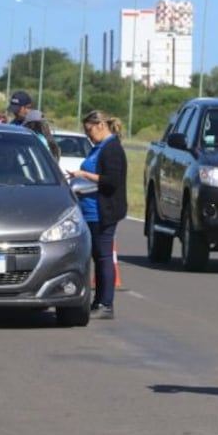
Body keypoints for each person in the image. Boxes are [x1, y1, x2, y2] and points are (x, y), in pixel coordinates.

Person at [68, 110, 128, 320]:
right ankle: (98, 300)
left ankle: (106, 303)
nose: (88, 135)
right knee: (97, 257)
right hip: (90, 211)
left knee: (103, 258)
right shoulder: (100, 148)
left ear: (101, 125)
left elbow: (112, 180)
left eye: (90, 130)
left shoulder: (112, 149)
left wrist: (84, 175)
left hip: (103, 212)